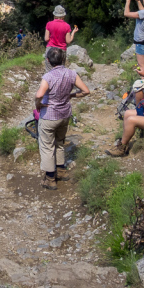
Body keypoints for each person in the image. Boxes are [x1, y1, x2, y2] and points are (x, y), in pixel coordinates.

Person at [35, 48, 90, 189]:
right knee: (59, 142)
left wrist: (38, 105)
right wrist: (71, 96)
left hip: (49, 116)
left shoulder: (48, 77)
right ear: (63, 59)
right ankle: (61, 170)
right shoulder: (72, 73)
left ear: (48, 60)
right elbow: (86, 91)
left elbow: (39, 95)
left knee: (47, 146)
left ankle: (50, 178)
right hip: (64, 115)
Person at [43, 5, 78, 71]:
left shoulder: (49, 24)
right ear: (63, 16)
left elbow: (46, 39)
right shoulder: (67, 26)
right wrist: (73, 32)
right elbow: (68, 41)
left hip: (50, 49)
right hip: (61, 51)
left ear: (54, 15)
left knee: (49, 71)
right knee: (60, 71)